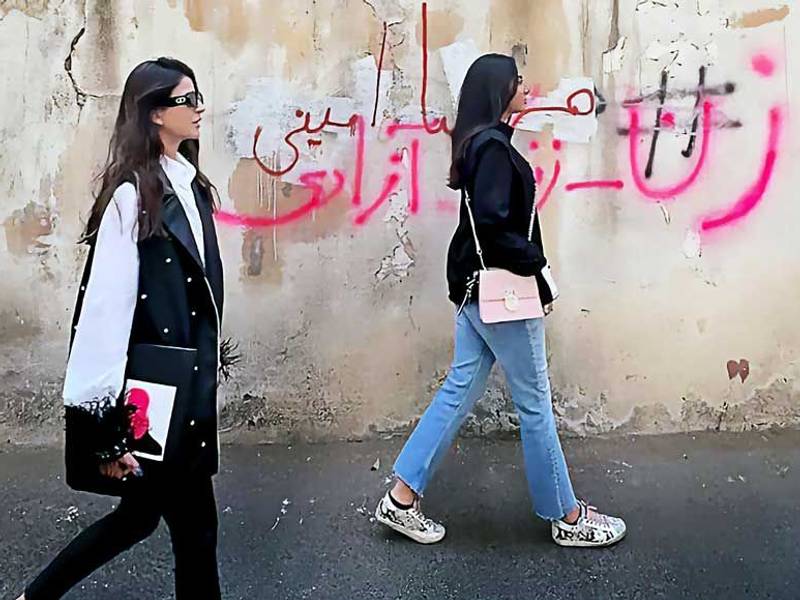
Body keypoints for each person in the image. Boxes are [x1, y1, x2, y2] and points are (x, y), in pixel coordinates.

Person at [374, 54, 626, 548]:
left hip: (478, 291)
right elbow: (493, 224)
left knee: (458, 391)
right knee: (534, 405)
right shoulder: (491, 148)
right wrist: (537, 265)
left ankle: (400, 499)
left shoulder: (483, 143)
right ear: (498, 91)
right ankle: (568, 516)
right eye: (517, 80)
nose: (525, 86)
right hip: (504, 293)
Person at [19, 57, 226, 599]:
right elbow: (104, 314)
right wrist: (105, 433)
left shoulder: (191, 187)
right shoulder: (133, 196)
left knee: (148, 521)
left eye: (198, 97)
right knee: (191, 529)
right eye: (186, 100)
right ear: (155, 113)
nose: (199, 108)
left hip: (185, 389)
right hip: (156, 396)